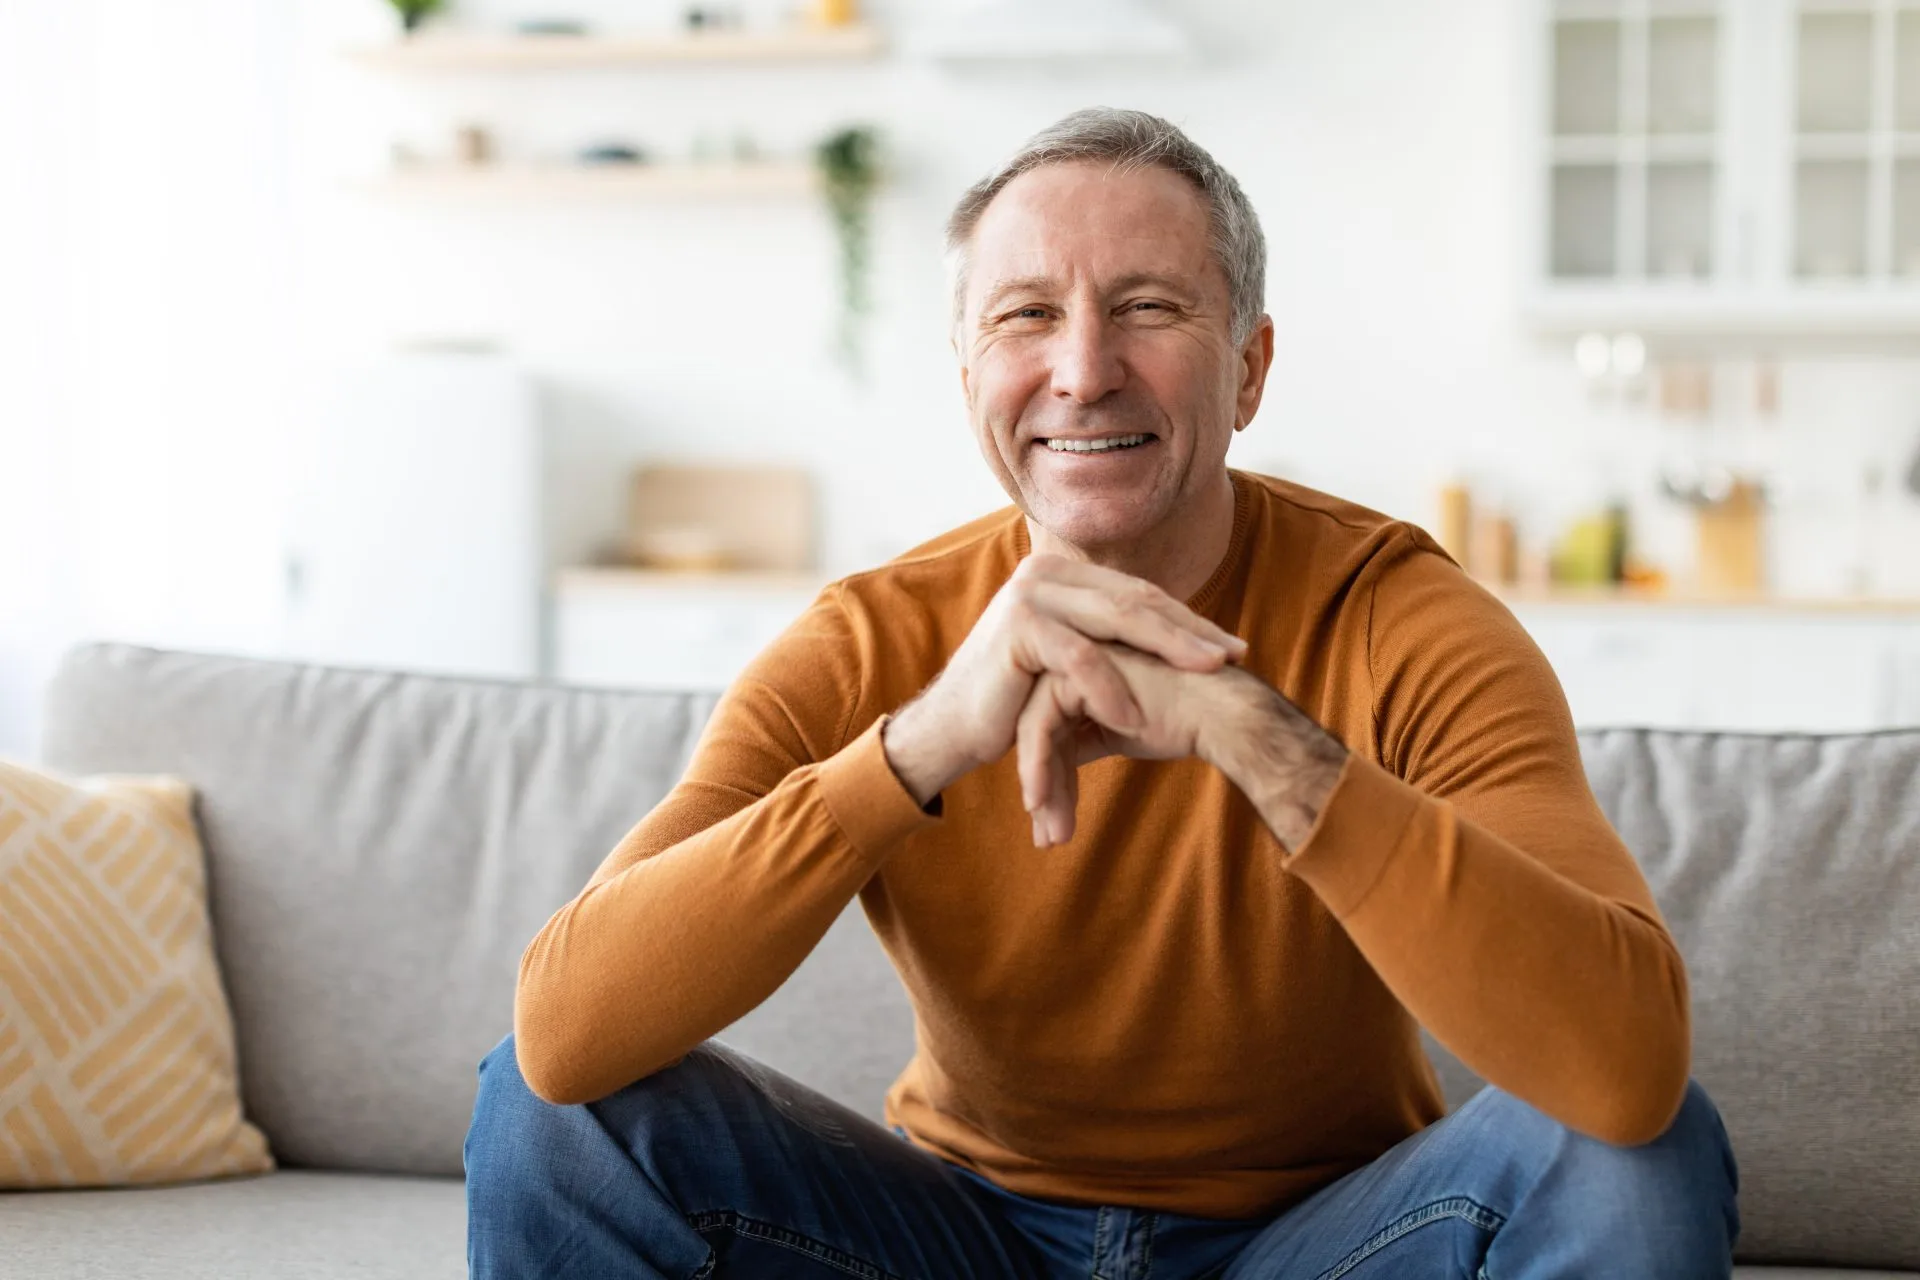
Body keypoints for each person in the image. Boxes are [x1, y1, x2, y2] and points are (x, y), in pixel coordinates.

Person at [465, 107, 1739, 1279]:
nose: (1082, 368)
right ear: (969, 373)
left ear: (1249, 366)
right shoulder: (871, 640)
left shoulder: (1401, 616)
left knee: (1631, 1153)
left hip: (1321, 1243)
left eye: (1146, 307)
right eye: (1024, 315)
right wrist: (918, 747)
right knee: (548, 1116)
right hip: (957, 1241)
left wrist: (1267, 743)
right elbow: (564, 1036)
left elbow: (1628, 1071)